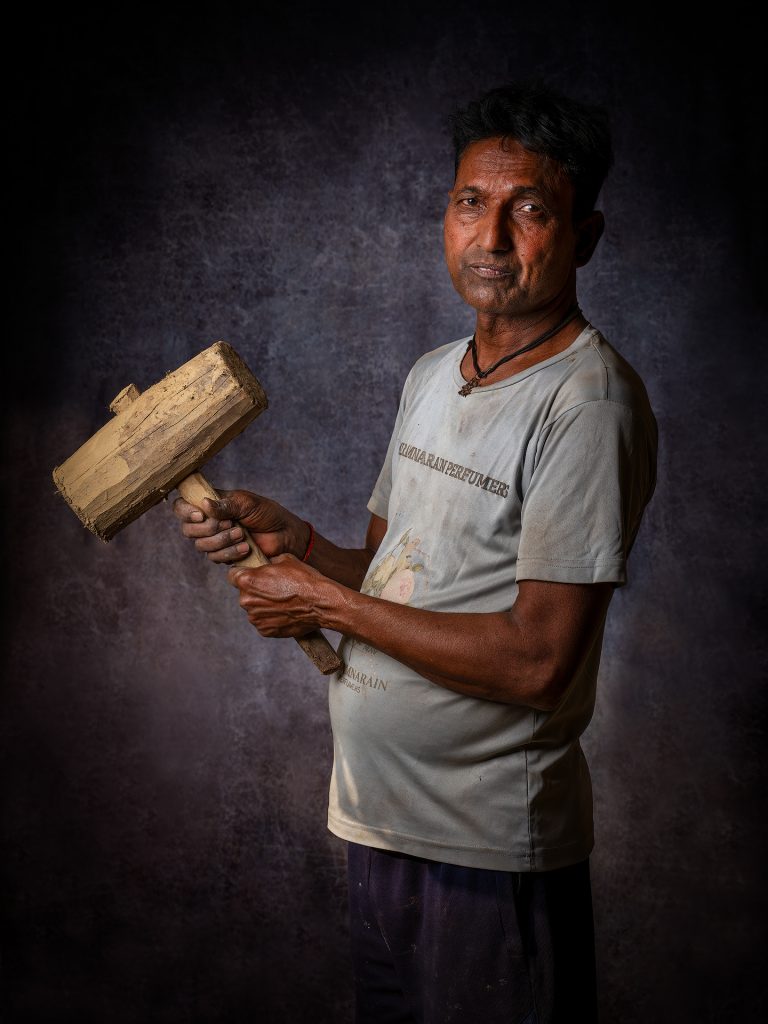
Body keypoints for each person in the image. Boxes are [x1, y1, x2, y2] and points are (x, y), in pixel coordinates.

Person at [174, 81, 658, 1023]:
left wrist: (318, 604)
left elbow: (536, 661)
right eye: (470, 203)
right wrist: (301, 546)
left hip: (486, 853)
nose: (490, 240)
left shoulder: (586, 405)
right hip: (380, 825)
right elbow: (395, 576)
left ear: (585, 237)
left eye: (530, 211)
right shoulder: (434, 375)